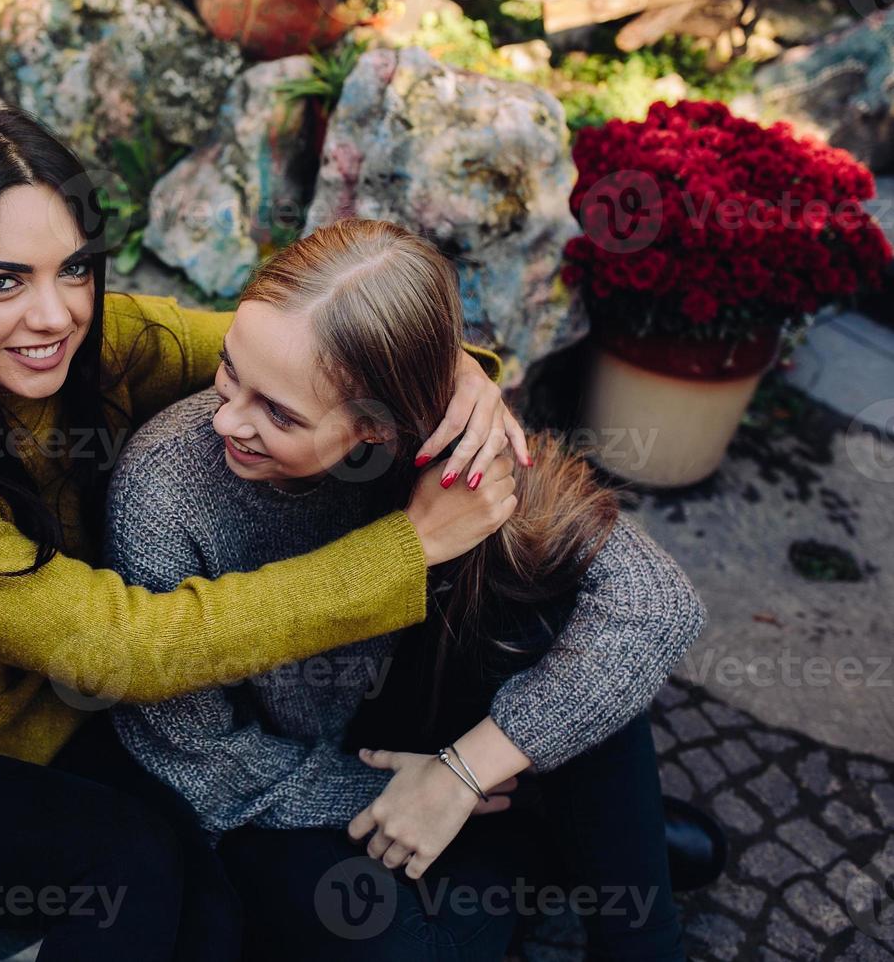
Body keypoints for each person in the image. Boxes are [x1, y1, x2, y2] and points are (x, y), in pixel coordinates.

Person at [0, 107, 526, 961]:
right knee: (126, 868)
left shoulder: (96, 344)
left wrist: (457, 371)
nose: (54, 315)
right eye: (1, 281)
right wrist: (405, 550)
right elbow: (125, 648)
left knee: (213, 920)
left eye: (73, 268)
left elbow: (309, 341)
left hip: (61, 712)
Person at [106, 219, 707, 960]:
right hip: (279, 780)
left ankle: (635, 931)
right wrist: (406, 799)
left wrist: (462, 775)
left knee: (570, 615)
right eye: (231, 370)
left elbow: (656, 603)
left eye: (280, 413)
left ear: (378, 429)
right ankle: (559, 845)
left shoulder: (446, 439)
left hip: (422, 710)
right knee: (411, 946)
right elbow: (200, 758)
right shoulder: (163, 491)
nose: (229, 417)